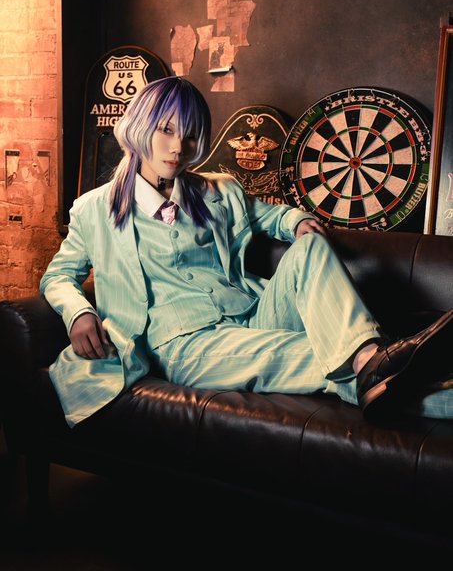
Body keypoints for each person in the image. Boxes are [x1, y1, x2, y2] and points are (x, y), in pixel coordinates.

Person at [40, 76, 453, 428]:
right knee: (326, 355)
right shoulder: (94, 209)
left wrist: (295, 223)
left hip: (252, 315)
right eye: (166, 130)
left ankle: (369, 356)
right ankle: (384, 365)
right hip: (184, 345)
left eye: (189, 135)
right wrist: (79, 312)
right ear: (139, 127)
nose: (178, 147)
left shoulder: (217, 191)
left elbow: (271, 216)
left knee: (311, 249)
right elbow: (58, 275)